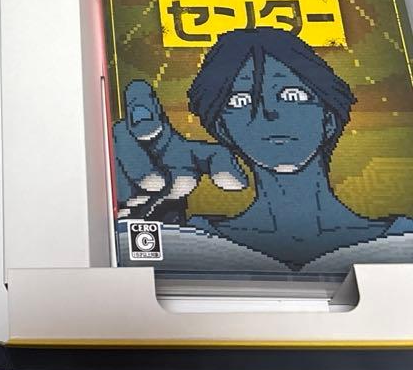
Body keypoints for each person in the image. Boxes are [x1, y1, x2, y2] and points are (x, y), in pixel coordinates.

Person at [116, 28, 413, 269]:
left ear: (328, 118)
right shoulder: (189, 240)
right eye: (241, 101)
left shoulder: (404, 241)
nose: (267, 113)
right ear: (222, 128)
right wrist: (139, 223)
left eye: (292, 94)